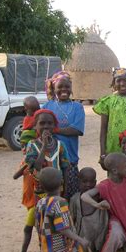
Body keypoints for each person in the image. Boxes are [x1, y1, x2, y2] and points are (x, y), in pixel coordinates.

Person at [22, 109, 70, 252]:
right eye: (42, 123)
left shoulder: (60, 145)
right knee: (41, 226)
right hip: (40, 195)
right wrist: (43, 146)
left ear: (55, 126)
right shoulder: (32, 145)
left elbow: (65, 168)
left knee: (58, 225)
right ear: (35, 125)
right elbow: (35, 166)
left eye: (50, 123)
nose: (46, 126)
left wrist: (66, 191)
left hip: (58, 194)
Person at [43, 71, 85, 199]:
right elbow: (41, 127)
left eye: (67, 86)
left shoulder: (77, 107)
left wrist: (54, 130)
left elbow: (76, 130)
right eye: (60, 87)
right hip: (50, 159)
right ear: (54, 88)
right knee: (51, 196)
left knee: (70, 194)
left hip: (70, 159)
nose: (64, 90)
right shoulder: (47, 106)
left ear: (71, 88)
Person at [93, 68, 126, 168]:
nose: (122, 84)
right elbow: (103, 129)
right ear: (114, 84)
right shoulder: (107, 101)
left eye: (125, 80)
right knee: (115, 176)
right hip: (114, 147)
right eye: (119, 81)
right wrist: (102, 153)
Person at [13, 96, 40, 252]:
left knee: (42, 224)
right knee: (31, 221)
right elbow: (27, 153)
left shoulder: (54, 146)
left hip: (41, 187)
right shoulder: (28, 131)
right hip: (30, 179)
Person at [69, 167, 108, 252]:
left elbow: (105, 223)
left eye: (91, 182)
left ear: (95, 182)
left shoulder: (100, 199)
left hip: (97, 241)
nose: (88, 185)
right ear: (78, 182)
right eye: (84, 182)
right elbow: (71, 220)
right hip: (81, 240)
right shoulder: (75, 199)